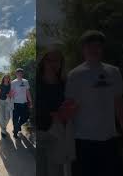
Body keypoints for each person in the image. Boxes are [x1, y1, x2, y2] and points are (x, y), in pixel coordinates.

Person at [66, 30, 123, 176]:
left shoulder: (114, 72)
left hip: (110, 139)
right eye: (90, 46)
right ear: (83, 49)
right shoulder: (74, 75)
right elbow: (68, 109)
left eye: (98, 46)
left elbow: (120, 108)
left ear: (102, 49)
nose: (94, 49)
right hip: (83, 141)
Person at [37, 44, 76, 176]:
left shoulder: (64, 83)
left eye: (57, 60)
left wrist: (69, 110)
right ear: (43, 62)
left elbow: (70, 104)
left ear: (61, 63)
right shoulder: (37, 82)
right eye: (50, 60)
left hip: (58, 132)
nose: (53, 64)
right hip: (41, 131)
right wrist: (51, 114)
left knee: (56, 171)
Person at [11, 68, 33, 138]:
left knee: (26, 116)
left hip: (24, 103)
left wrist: (30, 101)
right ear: (16, 74)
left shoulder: (25, 81)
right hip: (16, 103)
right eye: (18, 73)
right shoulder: (13, 82)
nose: (20, 74)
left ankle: (17, 127)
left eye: (21, 73)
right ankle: (15, 133)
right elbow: (11, 93)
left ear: (22, 74)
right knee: (15, 118)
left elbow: (28, 92)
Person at [0, 74, 13, 138]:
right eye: (5, 78)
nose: (6, 79)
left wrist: (10, 96)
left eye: (8, 78)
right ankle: (3, 130)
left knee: (8, 117)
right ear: (3, 79)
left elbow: (12, 94)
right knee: (1, 117)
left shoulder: (11, 85)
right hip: (1, 102)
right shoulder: (0, 85)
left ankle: (4, 127)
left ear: (9, 79)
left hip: (8, 102)